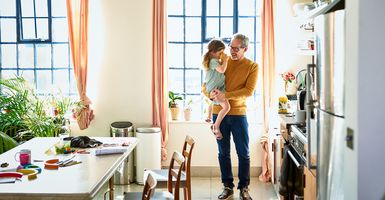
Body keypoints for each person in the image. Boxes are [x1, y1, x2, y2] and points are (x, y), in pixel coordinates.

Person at [202, 33, 258, 200]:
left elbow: (248, 91)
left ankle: (244, 187)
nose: (232, 51)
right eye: (231, 47)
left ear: (245, 49)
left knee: (243, 153)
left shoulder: (252, 66)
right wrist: (210, 94)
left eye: (236, 48)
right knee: (223, 153)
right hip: (218, 113)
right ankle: (227, 187)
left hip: (239, 114)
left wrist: (226, 95)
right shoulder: (221, 61)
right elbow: (207, 83)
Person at [202, 38, 230, 140]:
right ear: (214, 52)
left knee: (212, 102)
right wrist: (226, 60)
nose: (221, 55)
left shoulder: (214, 60)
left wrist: (223, 59)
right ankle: (216, 126)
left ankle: (209, 116)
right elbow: (222, 70)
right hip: (213, 89)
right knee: (226, 107)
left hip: (214, 88)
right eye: (220, 52)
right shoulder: (213, 61)